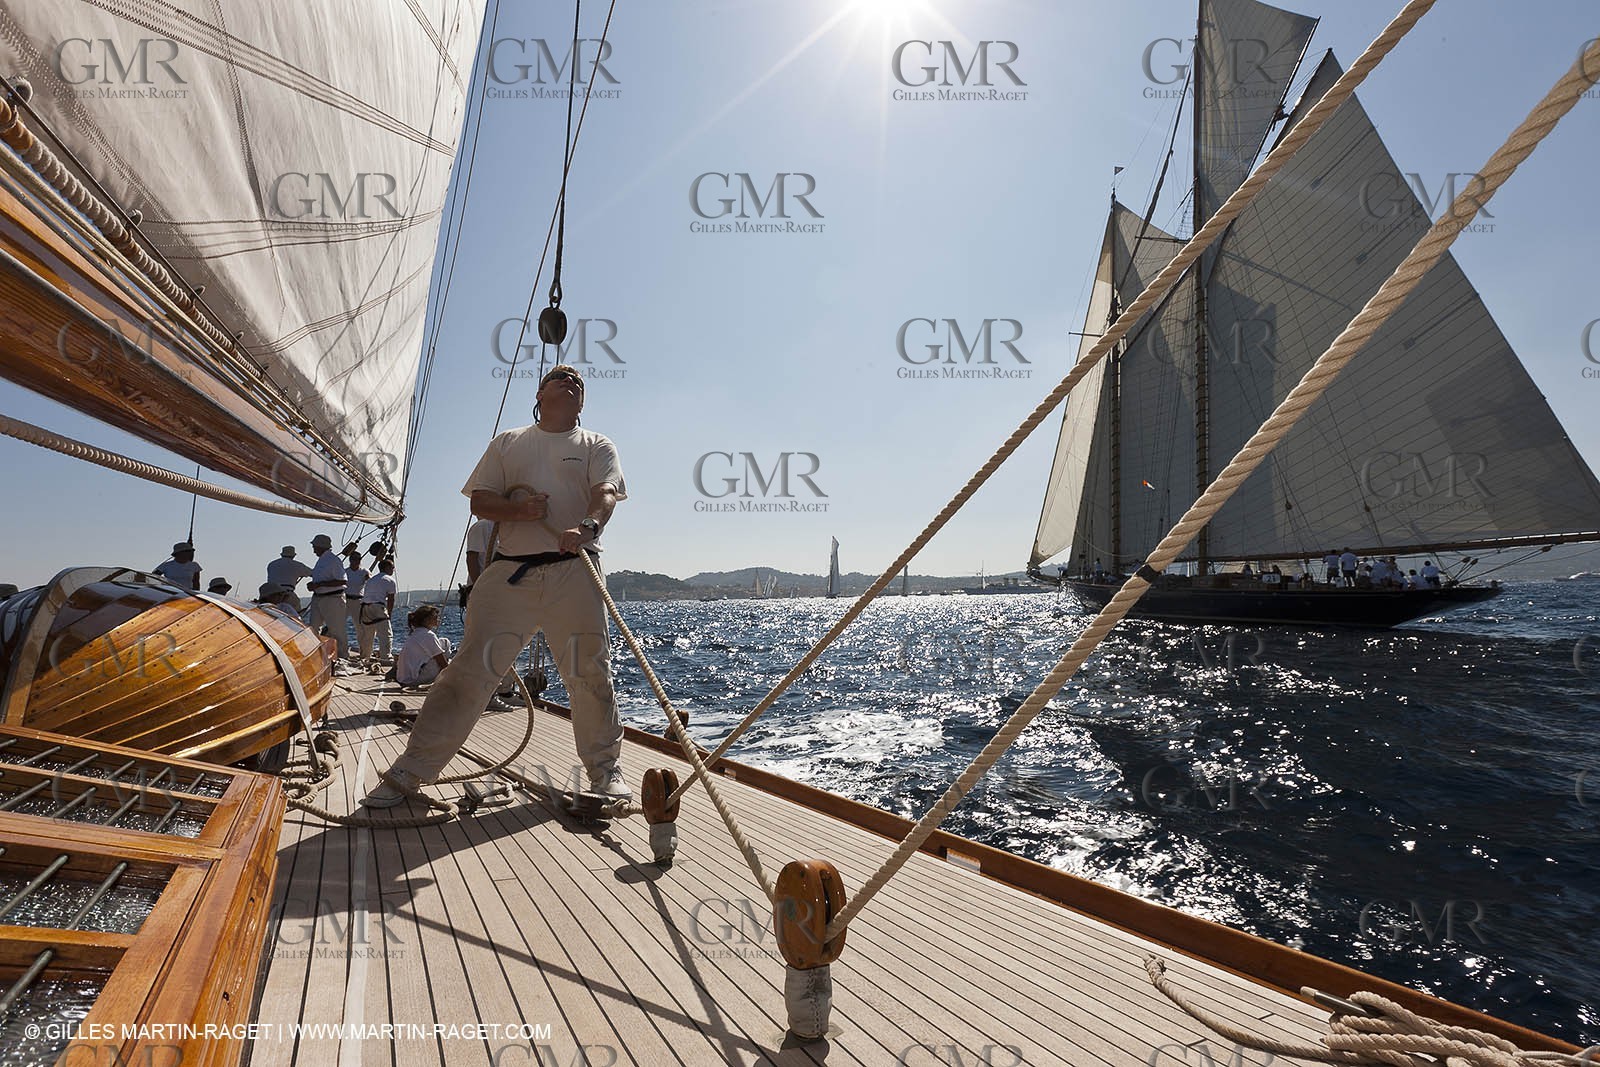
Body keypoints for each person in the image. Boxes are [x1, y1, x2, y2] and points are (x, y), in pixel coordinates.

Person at [364, 364, 627, 807]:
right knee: (469, 673)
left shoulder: (597, 445)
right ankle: (410, 771)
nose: (571, 381)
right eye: (560, 377)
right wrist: (519, 512)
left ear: (582, 402)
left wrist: (587, 526)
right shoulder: (508, 442)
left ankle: (605, 776)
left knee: (589, 675)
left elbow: (605, 493)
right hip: (510, 573)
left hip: (575, 571)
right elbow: (481, 500)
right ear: (539, 393)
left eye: (578, 383)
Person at [306, 534, 349, 661]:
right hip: (319, 598)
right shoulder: (322, 560)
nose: (313, 549)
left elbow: (343, 581)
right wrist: (315, 586)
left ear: (320, 546)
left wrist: (319, 584)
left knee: (337, 630)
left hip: (332, 599)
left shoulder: (333, 560)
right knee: (313, 627)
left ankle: (342, 657)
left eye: (314, 546)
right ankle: (316, 656)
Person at [356, 557, 398, 666]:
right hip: (378, 607)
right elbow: (391, 599)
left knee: (368, 634)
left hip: (365, 607)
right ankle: (386, 657)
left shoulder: (371, 580)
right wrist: (389, 614)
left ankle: (365, 657)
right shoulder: (389, 580)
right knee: (385, 634)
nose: (393, 569)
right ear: (387, 568)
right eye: (392, 567)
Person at [396, 604, 452, 685]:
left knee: (442, 641)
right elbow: (441, 661)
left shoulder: (416, 633)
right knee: (446, 643)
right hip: (415, 680)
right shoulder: (428, 635)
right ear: (427, 620)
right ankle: (445, 679)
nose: (438, 619)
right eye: (435, 617)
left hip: (403, 679)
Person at [461, 517, 498, 609]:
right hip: (494, 589)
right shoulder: (507, 528)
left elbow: (471, 558)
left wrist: (479, 590)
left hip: (486, 591)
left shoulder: (481, 526)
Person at [342, 546, 369, 661]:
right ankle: (341, 650)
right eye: (353, 559)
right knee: (339, 625)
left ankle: (363, 652)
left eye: (358, 559)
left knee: (360, 628)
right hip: (346, 600)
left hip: (358, 601)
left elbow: (371, 582)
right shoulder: (345, 572)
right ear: (350, 560)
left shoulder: (365, 572)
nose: (356, 561)